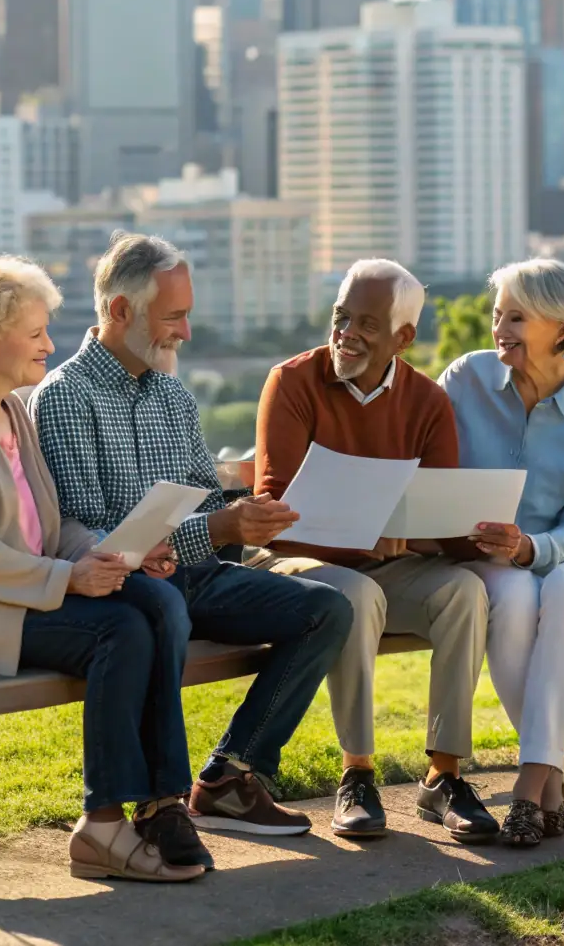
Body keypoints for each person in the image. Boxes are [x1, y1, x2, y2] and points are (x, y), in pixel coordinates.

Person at [0, 256, 207, 884]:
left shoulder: (12, 413)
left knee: (146, 603)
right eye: (34, 333)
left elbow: (52, 532)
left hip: (19, 601)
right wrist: (68, 579)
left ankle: (157, 805)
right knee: (122, 630)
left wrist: (111, 553)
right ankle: (105, 826)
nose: (49, 345)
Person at [31, 231, 355, 842]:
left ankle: (232, 775)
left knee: (327, 609)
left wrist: (247, 513)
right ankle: (163, 803)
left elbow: (208, 499)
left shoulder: (174, 396)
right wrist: (216, 526)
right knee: (165, 606)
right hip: (125, 590)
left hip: (193, 576)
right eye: (173, 316)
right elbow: (85, 530)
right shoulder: (64, 398)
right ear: (120, 310)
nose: (184, 332)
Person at [253, 259, 499, 844]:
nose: (347, 333)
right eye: (342, 317)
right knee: (358, 594)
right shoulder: (290, 382)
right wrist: (361, 530)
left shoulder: (426, 402)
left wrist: (478, 529)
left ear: (403, 337)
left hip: (389, 563)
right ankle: (357, 773)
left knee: (465, 590)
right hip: (296, 562)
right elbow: (274, 510)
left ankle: (444, 776)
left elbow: (444, 521)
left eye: (367, 323)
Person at [438, 257, 564, 849]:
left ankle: (530, 783)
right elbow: (426, 456)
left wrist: (530, 547)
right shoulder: (465, 378)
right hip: (496, 562)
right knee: (516, 597)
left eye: (516, 317)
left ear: (560, 330)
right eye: (497, 315)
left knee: (563, 589)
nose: (500, 329)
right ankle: (550, 775)